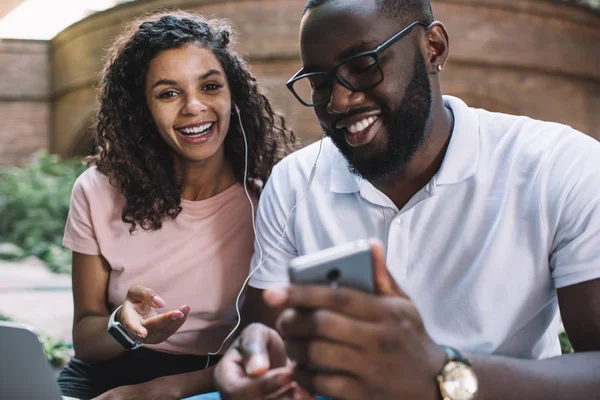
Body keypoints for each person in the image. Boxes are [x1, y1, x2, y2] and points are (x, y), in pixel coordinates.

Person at [209, 0, 600, 399]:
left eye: (363, 66)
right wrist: (254, 364)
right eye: (320, 83)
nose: (339, 103)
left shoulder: (558, 166)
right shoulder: (294, 182)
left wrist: (440, 372)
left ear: (433, 47)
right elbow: (267, 337)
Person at [56, 11, 295, 400]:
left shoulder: (269, 199)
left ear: (232, 94)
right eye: (169, 93)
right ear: (143, 109)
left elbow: (275, 345)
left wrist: (160, 390)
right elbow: (86, 338)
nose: (193, 106)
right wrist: (124, 325)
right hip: (107, 371)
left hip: (214, 376)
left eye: (210, 86)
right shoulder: (97, 191)